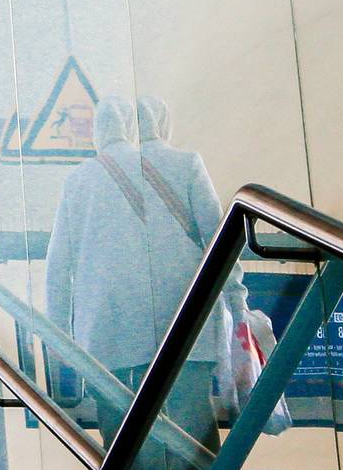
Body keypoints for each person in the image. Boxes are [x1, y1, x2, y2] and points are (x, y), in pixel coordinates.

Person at [42, 95, 231, 446]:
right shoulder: (187, 164)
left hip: (107, 330)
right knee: (193, 423)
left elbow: (57, 271)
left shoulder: (78, 181)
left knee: (120, 434)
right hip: (183, 320)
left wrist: (58, 339)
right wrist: (235, 299)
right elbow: (220, 242)